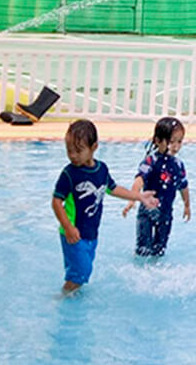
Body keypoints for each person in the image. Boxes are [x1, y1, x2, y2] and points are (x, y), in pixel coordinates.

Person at [52, 119, 158, 294]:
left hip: (91, 234)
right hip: (73, 234)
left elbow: (114, 189)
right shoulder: (69, 174)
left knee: (81, 274)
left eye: (78, 151)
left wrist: (138, 196)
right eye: (69, 150)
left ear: (94, 147)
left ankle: (70, 296)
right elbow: (56, 202)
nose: (72, 155)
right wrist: (68, 227)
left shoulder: (101, 170)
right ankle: (62, 300)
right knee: (79, 274)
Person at [122, 117, 190, 257]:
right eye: (171, 142)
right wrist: (133, 199)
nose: (176, 146)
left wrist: (187, 205)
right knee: (143, 250)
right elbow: (139, 179)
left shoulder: (178, 165)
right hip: (146, 213)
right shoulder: (150, 161)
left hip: (166, 214)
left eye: (179, 141)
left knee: (159, 251)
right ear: (158, 141)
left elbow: (183, 186)